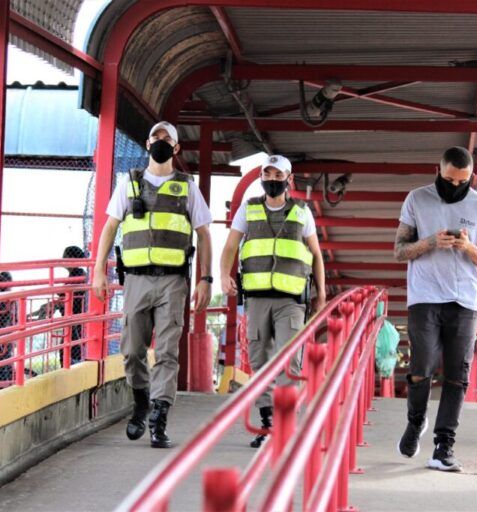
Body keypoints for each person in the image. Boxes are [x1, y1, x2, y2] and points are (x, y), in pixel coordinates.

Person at [91, 121, 213, 449]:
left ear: (176, 148)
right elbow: (109, 228)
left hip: (174, 281)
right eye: (156, 137)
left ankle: (159, 418)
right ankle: (142, 400)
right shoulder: (128, 184)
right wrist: (98, 270)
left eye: (167, 139)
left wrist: (205, 278)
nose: (160, 142)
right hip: (137, 279)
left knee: (167, 351)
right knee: (131, 351)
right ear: (147, 144)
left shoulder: (187, 187)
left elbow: (203, 234)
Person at [394, 146, 477, 471]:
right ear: (437, 171)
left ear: (471, 178)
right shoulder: (416, 199)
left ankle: (444, 446)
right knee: (421, 366)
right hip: (424, 296)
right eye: (449, 180)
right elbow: (399, 250)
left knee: (457, 375)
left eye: (462, 182)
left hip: (465, 300)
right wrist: (430, 242)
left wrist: (469, 248)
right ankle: (415, 420)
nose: (455, 186)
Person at [220, 154, 326, 448]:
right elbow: (230, 245)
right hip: (255, 299)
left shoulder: (302, 212)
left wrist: (322, 293)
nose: (273, 180)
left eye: (279, 176)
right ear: (261, 178)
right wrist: (223, 274)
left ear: (289, 180)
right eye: (268, 175)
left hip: (290, 301)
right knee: (259, 361)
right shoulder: (248, 209)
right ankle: (267, 423)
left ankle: (284, 425)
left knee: (288, 360)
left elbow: (316, 255)